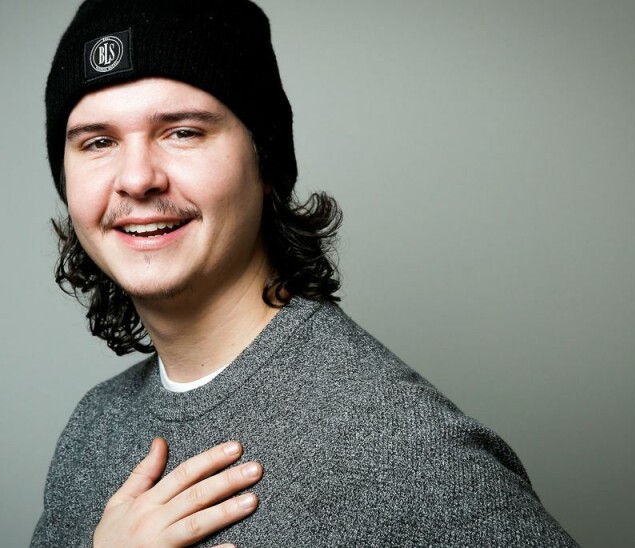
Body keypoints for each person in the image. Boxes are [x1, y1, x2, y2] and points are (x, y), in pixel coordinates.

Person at [33, 0, 579, 546]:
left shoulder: (396, 443)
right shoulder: (94, 427)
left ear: (265, 161)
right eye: (98, 142)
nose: (136, 178)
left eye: (182, 132)